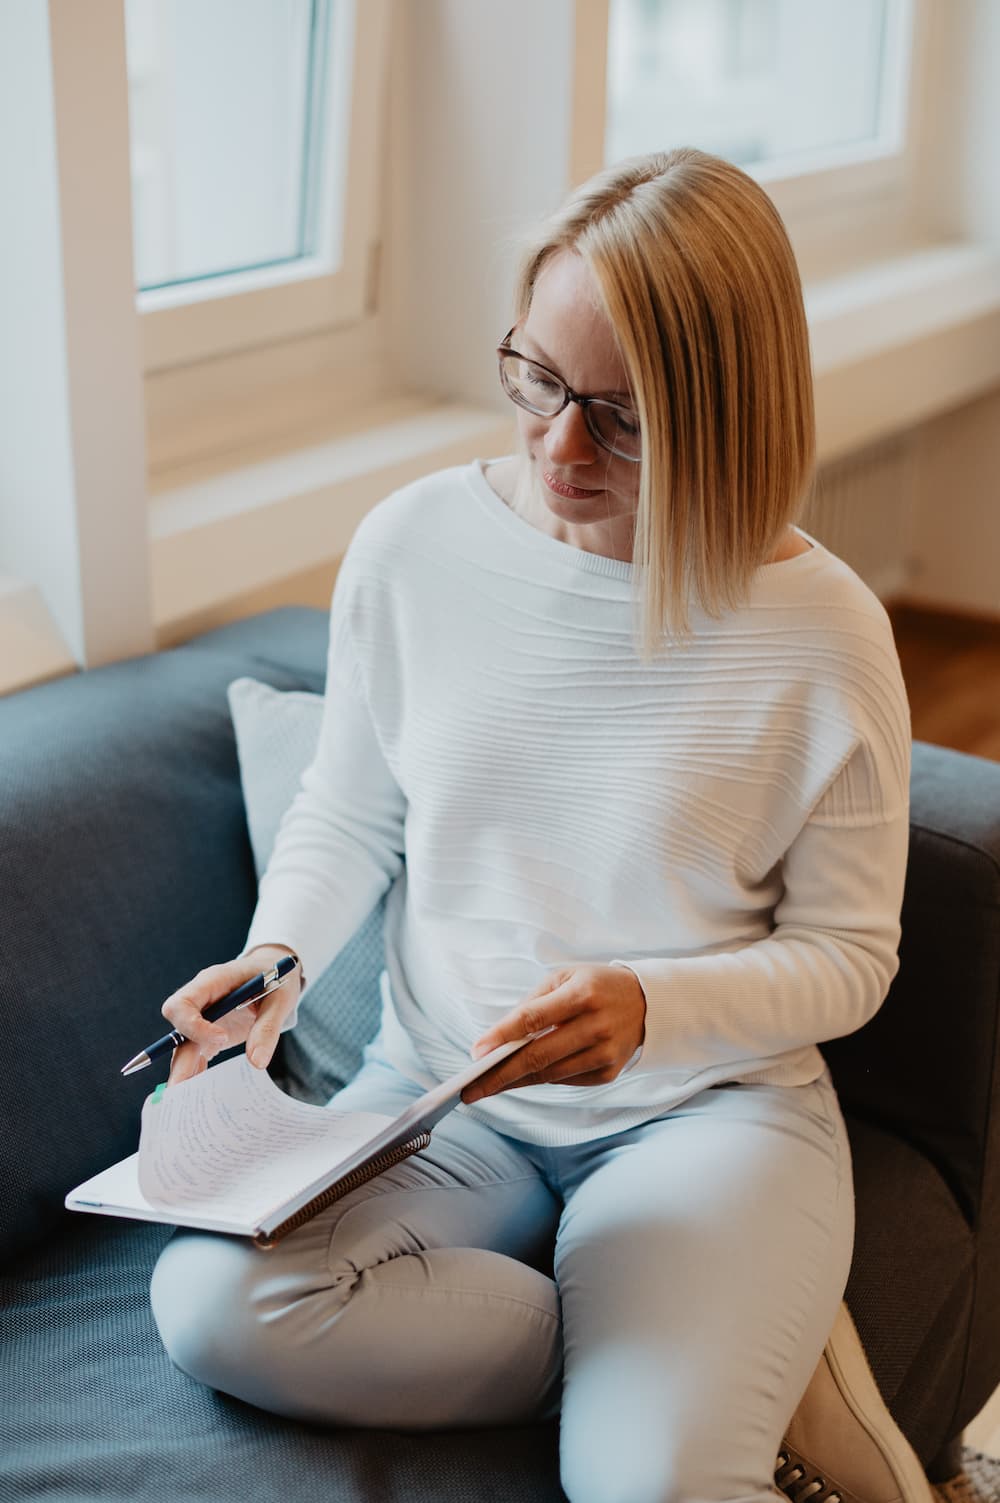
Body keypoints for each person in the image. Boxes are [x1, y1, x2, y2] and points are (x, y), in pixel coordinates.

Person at [149, 148, 922, 1503]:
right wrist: (275, 969)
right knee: (213, 1305)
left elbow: (853, 958)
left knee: (653, 1488)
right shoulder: (411, 549)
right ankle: (692, 1348)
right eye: (539, 381)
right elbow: (353, 808)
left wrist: (653, 1005)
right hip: (439, 1098)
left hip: (706, 1116)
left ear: (728, 411)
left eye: (623, 418)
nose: (561, 446)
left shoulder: (825, 635)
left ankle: (693, 1344)